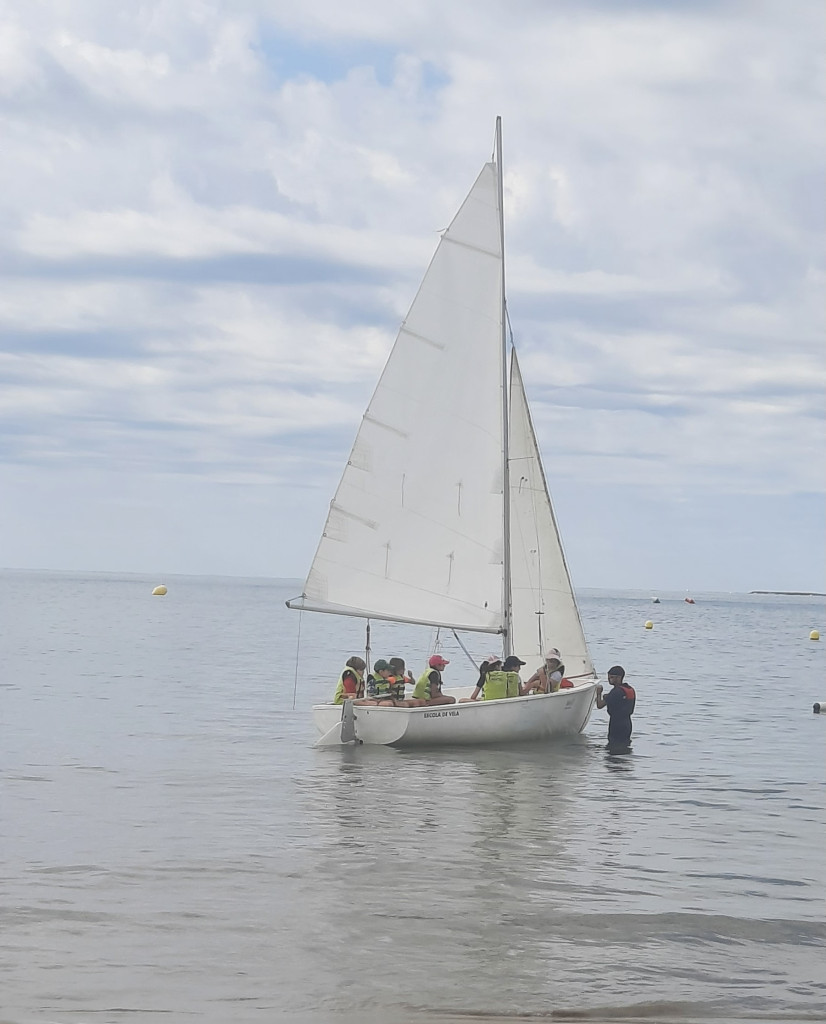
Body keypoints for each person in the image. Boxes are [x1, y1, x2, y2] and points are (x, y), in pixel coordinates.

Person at [595, 665, 636, 745]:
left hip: (616, 725)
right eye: (609, 677)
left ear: (619, 677)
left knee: (612, 747)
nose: (609, 680)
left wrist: (598, 693)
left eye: (611, 677)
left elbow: (599, 705)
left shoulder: (615, 692)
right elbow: (620, 702)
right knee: (624, 745)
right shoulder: (630, 689)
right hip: (627, 724)